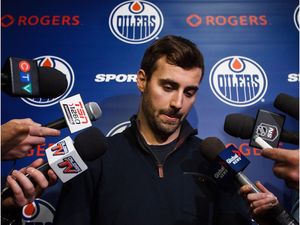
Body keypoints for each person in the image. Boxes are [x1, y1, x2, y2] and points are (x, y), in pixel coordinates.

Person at [54, 35, 252, 225]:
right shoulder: (95, 159)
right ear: (142, 81)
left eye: (189, 92)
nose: (178, 103)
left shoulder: (215, 164)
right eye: (168, 87)